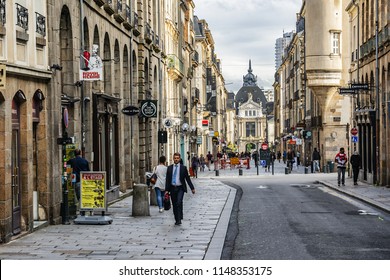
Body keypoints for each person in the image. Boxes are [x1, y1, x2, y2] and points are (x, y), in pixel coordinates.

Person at [165, 152, 196, 225]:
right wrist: (166, 190)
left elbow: (187, 179)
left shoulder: (183, 168)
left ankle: (179, 219)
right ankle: (177, 218)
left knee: (179, 202)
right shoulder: (169, 168)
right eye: (175, 158)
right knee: (174, 204)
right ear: (173, 159)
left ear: (179, 159)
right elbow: (167, 180)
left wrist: (192, 188)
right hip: (172, 188)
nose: (176, 159)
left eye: (177, 158)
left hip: (180, 188)